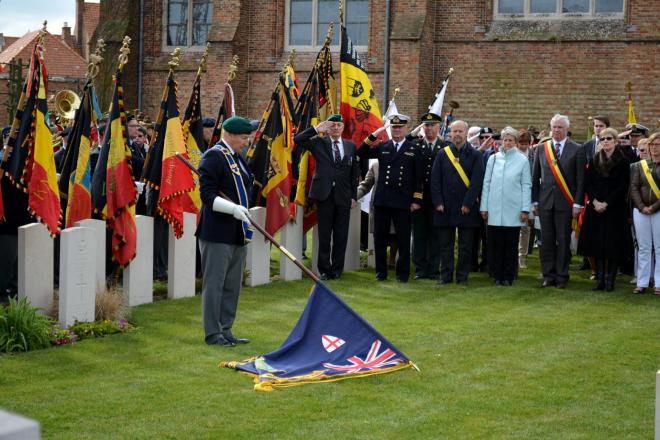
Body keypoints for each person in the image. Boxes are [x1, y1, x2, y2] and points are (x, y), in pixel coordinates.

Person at [196, 115, 254, 346]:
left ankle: (226, 328)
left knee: (232, 285)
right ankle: (213, 333)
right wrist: (232, 209)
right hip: (217, 233)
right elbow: (208, 195)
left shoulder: (237, 157)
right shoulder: (213, 156)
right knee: (215, 285)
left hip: (237, 231)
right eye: (243, 137)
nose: (246, 142)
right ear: (229, 135)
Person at [293, 114, 359, 280]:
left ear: (343, 127)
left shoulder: (350, 146)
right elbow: (298, 139)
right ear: (327, 127)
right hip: (325, 194)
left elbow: (354, 173)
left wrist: (353, 196)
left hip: (343, 196)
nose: (335, 128)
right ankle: (324, 270)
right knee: (324, 234)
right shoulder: (319, 143)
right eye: (332, 125)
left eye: (338, 125)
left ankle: (337, 270)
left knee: (341, 234)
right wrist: (316, 129)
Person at [357, 113, 421, 283]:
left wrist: (416, 200)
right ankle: (381, 272)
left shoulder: (413, 149)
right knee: (380, 239)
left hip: (403, 201)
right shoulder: (384, 146)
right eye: (394, 127)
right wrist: (374, 135)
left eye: (400, 127)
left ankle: (402, 274)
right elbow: (361, 152)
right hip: (383, 200)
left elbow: (418, 178)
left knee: (403, 239)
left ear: (407, 128)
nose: (397, 130)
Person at [532, 114, 585, 289]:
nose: (556, 130)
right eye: (554, 127)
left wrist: (577, 203)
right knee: (546, 241)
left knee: (563, 240)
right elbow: (535, 178)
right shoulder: (541, 148)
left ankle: (562, 276)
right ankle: (548, 275)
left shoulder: (577, 149)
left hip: (566, 203)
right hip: (545, 203)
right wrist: (535, 202)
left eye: (560, 127)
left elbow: (580, 180)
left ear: (567, 129)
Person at [431, 120, 485, 285]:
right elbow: (435, 180)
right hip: (445, 207)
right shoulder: (442, 153)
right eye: (454, 131)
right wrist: (438, 202)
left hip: (466, 208)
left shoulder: (476, 155)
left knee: (465, 246)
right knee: (445, 245)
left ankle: (462, 277)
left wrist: (468, 204)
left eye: (460, 131)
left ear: (466, 133)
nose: (457, 135)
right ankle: (446, 276)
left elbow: (477, 183)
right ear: (450, 133)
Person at [577, 128, 630, 291]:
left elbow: (622, 186)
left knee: (613, 245)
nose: (605, 141)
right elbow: (588, 183)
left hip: (614, 208)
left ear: (615, 141)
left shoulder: (623, 160)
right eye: (602, 139)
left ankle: (610, 281)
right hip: (595, 207)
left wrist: (607, 203)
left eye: (609, 138)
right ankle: (599, 279)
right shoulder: (594, 160)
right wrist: (595, 202)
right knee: (597, 244)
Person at [479, 127, 531, 286]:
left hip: (513, 209)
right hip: (494, 208)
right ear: (501, 141)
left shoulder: (522, 160)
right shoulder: (493, 159)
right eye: (505, 140)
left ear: (515, 142)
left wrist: (525, 209)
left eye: (511, 140)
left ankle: (509, 275)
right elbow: (486, 184)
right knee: (495, 245)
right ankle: (497, 275)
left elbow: (526, 185)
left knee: (510, 245)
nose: (507, 143)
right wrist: (484, 207)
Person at [406, 112, 445, 280]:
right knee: (419, 234)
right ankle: (421, 269)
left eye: (432, 125)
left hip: (437, 199)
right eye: (426, 125)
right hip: (419, 198)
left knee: (436, 235)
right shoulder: (415, 145)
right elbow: (403, 141)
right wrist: (414, 132)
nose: (429, 129)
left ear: (439, 127)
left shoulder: (445, 147)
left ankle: (434, 269)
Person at [629, 132, 660, 295]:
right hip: (640, 211)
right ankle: (642, 282)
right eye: (652, 145)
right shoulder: (639, 166)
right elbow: (633, 188)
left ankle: (659, 283)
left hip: (658, 211)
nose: (655, 147)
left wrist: (653, 207)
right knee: (644, 247)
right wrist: (642, 207)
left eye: (658, 145)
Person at [517, 129, 536, 268]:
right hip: (515, 194)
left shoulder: (534, 155)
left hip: (529, 194)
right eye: (521, 143)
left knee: (525, 227)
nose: (523, 146)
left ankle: (522, 257)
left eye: (526, 143)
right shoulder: (513, 155)